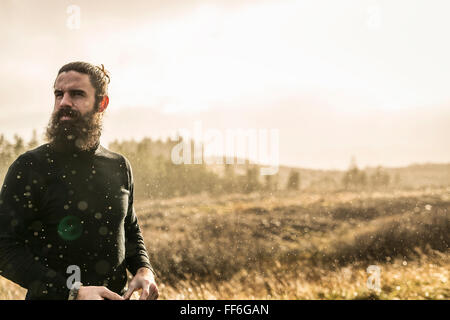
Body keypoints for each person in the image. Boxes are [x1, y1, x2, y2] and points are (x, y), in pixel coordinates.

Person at [0, 61, 159, 300]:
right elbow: (4, 248)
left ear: (101, 104)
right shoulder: (30, 166)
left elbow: (129, 227)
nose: (64, 102)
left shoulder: (119, 166)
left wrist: (144, 269)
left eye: (77, 94)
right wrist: (72, 292)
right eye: (58, 94)